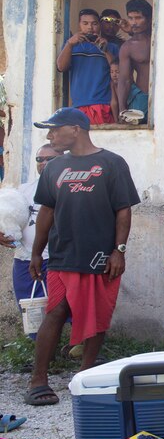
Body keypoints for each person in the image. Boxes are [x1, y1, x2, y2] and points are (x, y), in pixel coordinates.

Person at [26, 107, 140, 405]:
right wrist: (37, 252)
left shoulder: (112, 163)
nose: (50, 136)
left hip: (100, 257)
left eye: (54, 129)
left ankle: (85, 376)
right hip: (63, 254)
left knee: (97, 314)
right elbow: (46, 212)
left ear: (76, 129)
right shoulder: (53, 168)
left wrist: (119, 250)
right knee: (56, 311)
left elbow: (123, 210)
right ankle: (38, 380)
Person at [0, 144, 61, 305]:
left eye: (50, 159)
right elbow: (7, 216)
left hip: (59, 260)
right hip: (25, 259)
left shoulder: (73, 189)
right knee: (30, 310)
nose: (43, 162)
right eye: (39, 159)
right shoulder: (23, 190)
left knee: (61, 311)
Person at [56, 9, 119, 125]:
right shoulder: (71, 46)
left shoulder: (112, 47)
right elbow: (61, 67)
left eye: (94, 23)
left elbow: (117, 71)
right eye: (85, 23)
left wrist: (105, 50)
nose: (90, 27)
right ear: (79, 25)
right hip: (79, 105)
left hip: (103, 104)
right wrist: (69, 44)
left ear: (99, 25)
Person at [116, 0, 152, 124]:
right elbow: (124, 79)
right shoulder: (128, 47)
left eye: (138, 18)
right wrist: (122, 109)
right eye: (130, 18)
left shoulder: (162, 38)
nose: (133, 22)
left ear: (148, 19)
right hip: (141, 97)